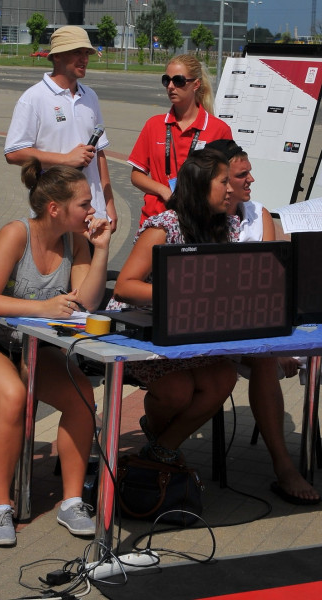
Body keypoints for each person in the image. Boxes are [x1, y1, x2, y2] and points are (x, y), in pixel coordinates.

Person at [0, 159, 112, 546]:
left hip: (34, 345)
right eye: (85, 204)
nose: (92, 211)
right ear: (55, 208)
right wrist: (43, 307)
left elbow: (85, 303)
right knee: (13, 395)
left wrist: (101, 250)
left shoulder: (75, 240)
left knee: (81, 397)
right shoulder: (16, 234)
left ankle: (72, 502)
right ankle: (1, 507)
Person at [207, 139, 322, 504]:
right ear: (219, 180)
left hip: (273, 320)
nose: (251, 179)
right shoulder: (204, 219)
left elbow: (269, 279)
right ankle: (284, 467)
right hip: (237, 332)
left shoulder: (259, 213)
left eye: (249, 171)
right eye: (242, 174)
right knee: (266, 359)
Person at [108, 148, 238, 464]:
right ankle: (159, 440)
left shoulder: (228, 226)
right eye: (224, 182)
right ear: (200, 186)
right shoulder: (164, 226)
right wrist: (181, 292)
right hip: (141, 324)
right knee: (178, 390)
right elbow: (125, 287)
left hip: (190, 325)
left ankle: (161, 449)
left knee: (223, 379)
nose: (231, 189)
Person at [4, 25, 118, 233]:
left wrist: (108, 203)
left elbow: (99, 153)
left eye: (86, 53)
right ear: (57, 56)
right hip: (55, 212)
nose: (84, 59)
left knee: (94, 265)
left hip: (94, 212)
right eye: (77, 52)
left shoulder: (90, 96)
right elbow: (13, 153)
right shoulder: (33, 98)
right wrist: (67, 159)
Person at [127, 54, 233, 227]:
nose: (170, 86)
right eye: (166, 80)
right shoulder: (154, 125)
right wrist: (163, 190)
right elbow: (136, 175)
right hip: (156, 221)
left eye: (178, 80)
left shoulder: (219, 129)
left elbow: (227, 180)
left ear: (196, 84)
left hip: (200, 223)